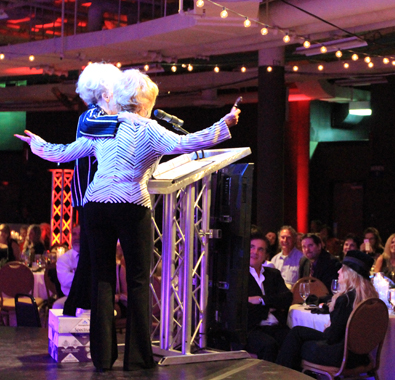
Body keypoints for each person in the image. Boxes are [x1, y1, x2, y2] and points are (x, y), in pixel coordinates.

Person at [16, 68, 239, 371]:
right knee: (136, 281)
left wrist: (37, 144)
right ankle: (136, 358)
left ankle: (103, 358)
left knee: (102, 280)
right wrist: (224, 124)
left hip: (95, 204)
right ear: (145, 101)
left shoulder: (104, 125)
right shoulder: (149, 128)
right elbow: (189, 143)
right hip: (131, 204)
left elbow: (66, 153)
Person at [63, 62, 124, 317]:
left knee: (92, 255)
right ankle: (81, 308)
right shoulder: (94, 116)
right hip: (94, 194)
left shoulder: (93, 114)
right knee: (94, 256)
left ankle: (78, 307)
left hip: (93, 193)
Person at [276, 250, 378, 371]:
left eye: (342, 269)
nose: (338, 271)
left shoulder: (345, 299)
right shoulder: (371, 298)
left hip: (342, 356)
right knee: (297, 333)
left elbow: (332, 337)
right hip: (362, 355)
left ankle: (280, 374)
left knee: (296, 340)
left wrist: (328, 327)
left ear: (351, 274)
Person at [246, 233, 292, 362]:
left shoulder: (273, 274)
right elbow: (244, 307)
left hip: (276, 326)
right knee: (269, 345)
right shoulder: (239, 276)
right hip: (252, 328)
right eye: (252, 247)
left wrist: (262, 300)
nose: (255, 252)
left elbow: (287, 297)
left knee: (294, 339)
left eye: (261, 249)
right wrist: (271, 305)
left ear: (266, 254)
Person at [53, 224, 81, 308]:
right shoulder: (64, 259)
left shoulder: (93, 256)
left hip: (93, 296)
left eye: (80, 234)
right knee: (58, 306)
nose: (77, 237)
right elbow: (65, 281)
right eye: (74, 234)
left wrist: (76, 275)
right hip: (72, 297)